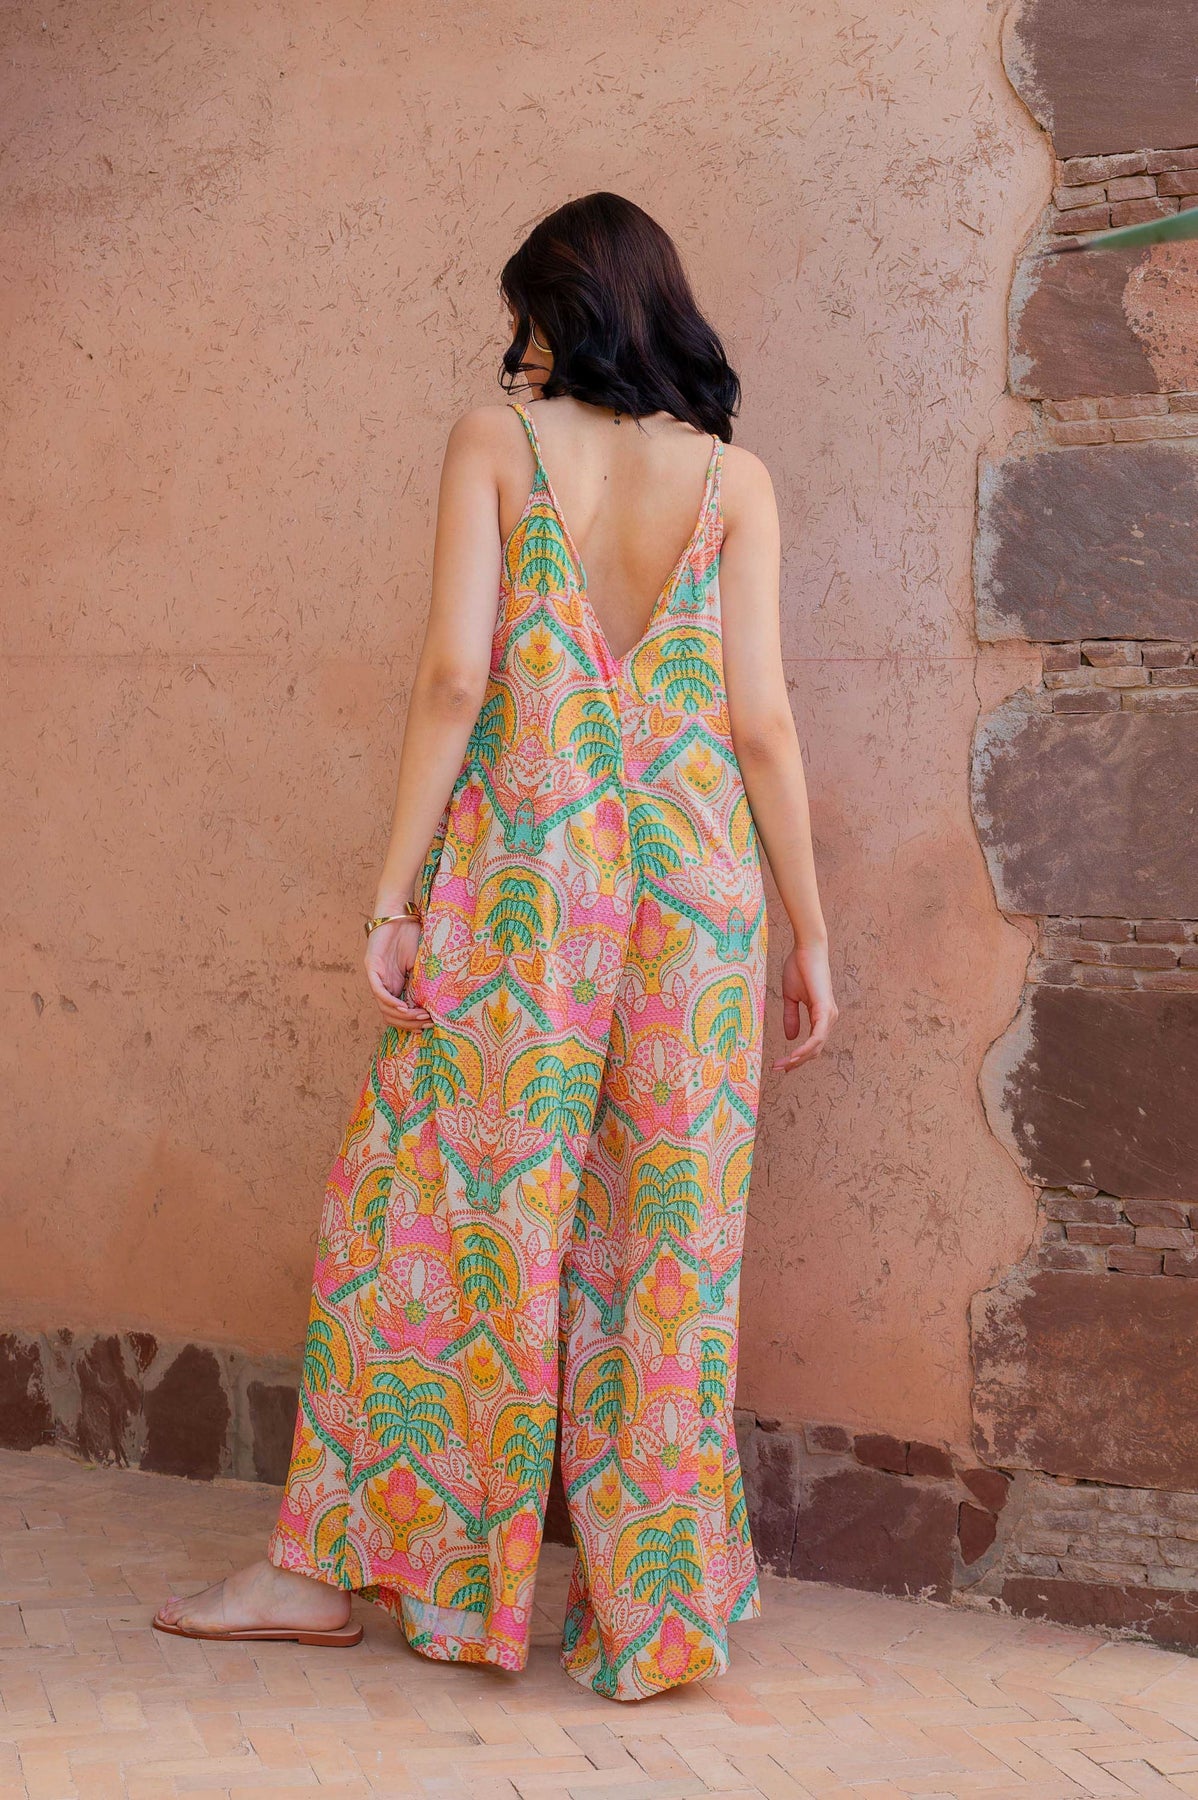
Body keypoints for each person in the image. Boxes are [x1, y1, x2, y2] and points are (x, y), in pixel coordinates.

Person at [153, 191, 836, 1701]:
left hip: (531, 882)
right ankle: (652, 1617)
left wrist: (393, 897)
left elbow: (456, 676)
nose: (513, 343)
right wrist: (808, 930)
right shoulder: (735, 483)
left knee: (440, 1219)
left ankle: (339, 1574)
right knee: (665, 1252)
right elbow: (764, 725)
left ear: (557, 311)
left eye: (524, 313)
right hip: (699, 897)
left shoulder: (497, 444)